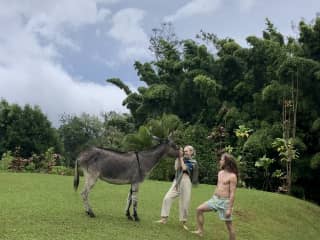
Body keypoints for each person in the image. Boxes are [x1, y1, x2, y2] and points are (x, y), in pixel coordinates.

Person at [192, 153, 238, 239]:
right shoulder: (220, 173)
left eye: (221, 160)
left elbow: (232, 193)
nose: (220, 161)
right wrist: (213, 197)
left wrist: (229, 209)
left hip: (225, 203)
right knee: (199, 209)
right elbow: (218, 186)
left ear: (227, 162)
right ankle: (200, 231)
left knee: (229, 226)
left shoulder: (232, 176)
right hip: (215, 199)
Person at [156, 145, 198, 230]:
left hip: (186, 182)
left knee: (184, 204)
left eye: (186, 151)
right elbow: (176, 168)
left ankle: (183, 223)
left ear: (191, 152)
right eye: (184, 151)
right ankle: (164, 219)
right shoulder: (180, 159)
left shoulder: (193, 162)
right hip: (177, 181)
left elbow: (185, 168)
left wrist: (181, 158)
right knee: (167, 198)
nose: (185, 153)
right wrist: (178, 158)